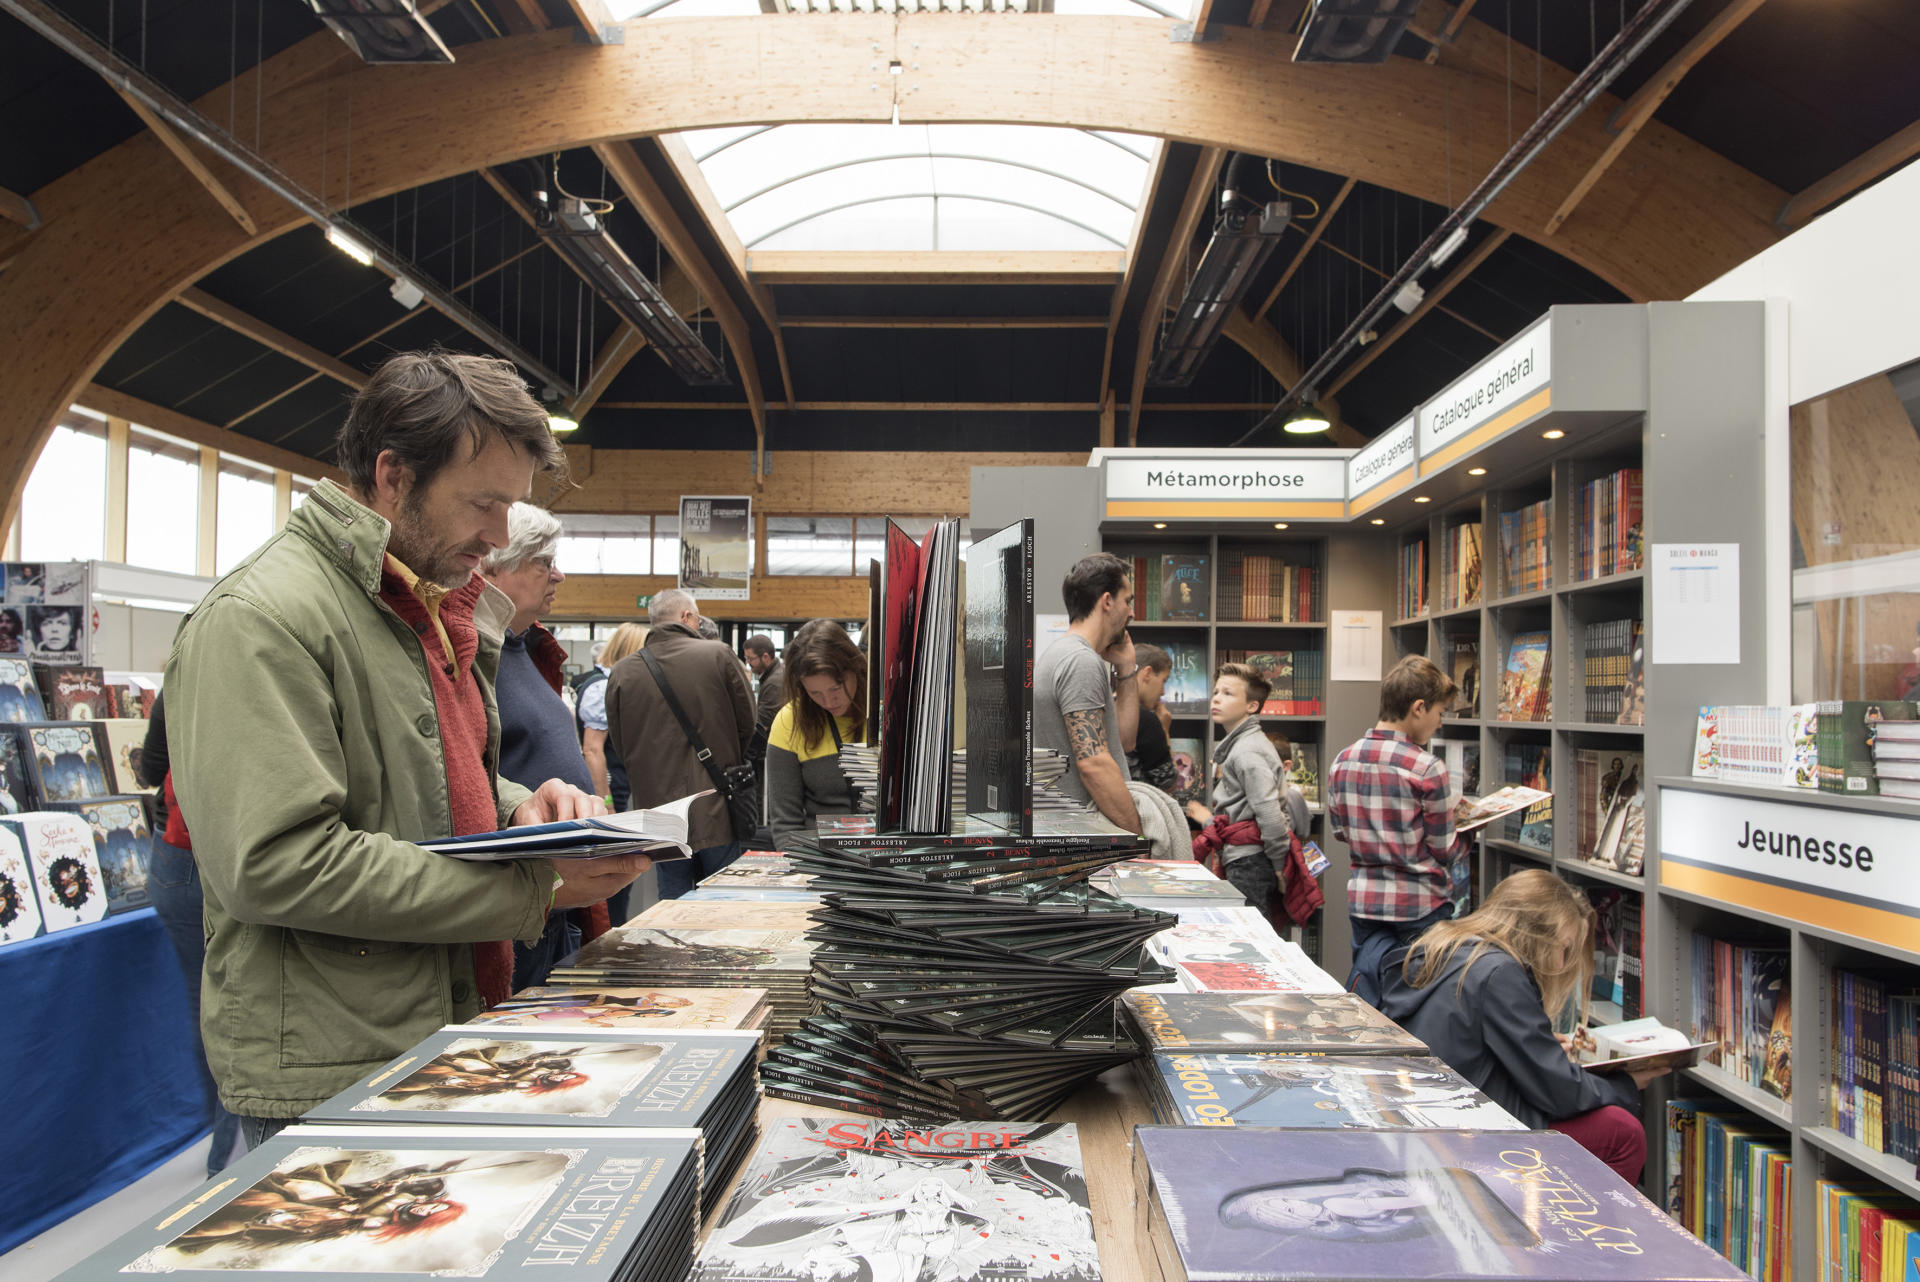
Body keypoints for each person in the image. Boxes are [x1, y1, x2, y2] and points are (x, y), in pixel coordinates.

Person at [165, 351, 652, 1145]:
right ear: (393, 476)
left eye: (510, 507)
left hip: (437, 1025)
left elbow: (422, 773)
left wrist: (522, 808)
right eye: (483, 503)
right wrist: (529, 890)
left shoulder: (420, 602)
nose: (498, 535)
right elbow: (276, 864)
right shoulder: (262, 619)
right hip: (337, 1067)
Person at [1377, 869, 1667, 1183]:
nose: (1561, 964)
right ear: (1539, 939)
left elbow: (1464, 1035)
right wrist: (1626, 1086)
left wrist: (1541, 1044)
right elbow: (1560, 1093)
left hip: (1422, 1117)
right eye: (1564, 948)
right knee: (1622, 1132)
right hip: (1471, 1133)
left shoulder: (1443, 946)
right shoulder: (1499, 973)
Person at [481, 502, 614, 988]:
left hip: (552, 904)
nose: (558, 575)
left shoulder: (524, 648)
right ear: (495, 563)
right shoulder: (475, 655)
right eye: (543, 562)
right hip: (515, 906)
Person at [138, 691, 242, 1175]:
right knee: (239, 1002)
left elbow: (150, 768)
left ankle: (222, 1145)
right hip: (216, 853)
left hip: (175, 855)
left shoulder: (177, 682)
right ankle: (228, 1153)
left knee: (207, 1002)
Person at [1328, 654, 1468, 1005]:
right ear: (1419, 708)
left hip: (1365, 903)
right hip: (1420, 906)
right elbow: (1443, 848)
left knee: (1370, 994)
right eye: (1440, 713)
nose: (1439, 723)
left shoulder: (1343, 759)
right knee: (1418, 1003)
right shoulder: (1427, 768)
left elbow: (1340, 831)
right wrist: (1463, 832)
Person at [607, 588, 755, 897]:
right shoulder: (718, 655)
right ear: (687, 617)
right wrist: (725, 757)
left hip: (659, 813)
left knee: (671, 902)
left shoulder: (622, 672)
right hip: (716, 802)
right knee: (723, 900)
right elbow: (747, 722)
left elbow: (621, 746)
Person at [1032, 553, 1141, 833]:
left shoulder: (1066, 654)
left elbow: (1124, 742)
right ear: (1107, 601)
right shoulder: (1080, 661)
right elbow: (1094, 764)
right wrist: (1138, 837)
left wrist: (1127, 668)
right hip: (1080, 835)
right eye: (1127, 601)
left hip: (1070, 832)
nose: (1131, 613)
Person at [1191, 663, 1291, 921]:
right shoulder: (1243, 745)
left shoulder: (1247, 751)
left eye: (1228, 693)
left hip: (1250, 862)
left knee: (1249, 933)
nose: (1216, 699)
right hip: (1246, 859)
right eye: (1216, 692)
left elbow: (1270, 814)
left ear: (1252, 706)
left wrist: (1279, 865)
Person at [766, 622, 867, 850]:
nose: (828, 701)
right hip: (820, 856)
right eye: (815, 693)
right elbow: (786, 825)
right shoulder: (789, 722)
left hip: (891, 855)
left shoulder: (889, 710)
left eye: (836, 689)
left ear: (856, 669)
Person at [1127, 643, 1184, 801]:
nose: (1163, 691)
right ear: (1147, 673)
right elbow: (1168, 783)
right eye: (1163, 681)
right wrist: (1164, 730)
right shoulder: (1146, 720)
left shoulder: (1103, 708)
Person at [744, 634, 785, 776]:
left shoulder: (774, 682)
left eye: (751, 659)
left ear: (765, 657)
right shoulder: (775, 675)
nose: (748, 663)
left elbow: (763, 724)